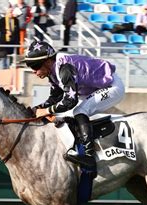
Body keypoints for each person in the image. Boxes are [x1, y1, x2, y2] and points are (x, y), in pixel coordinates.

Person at [25, 41, 125, 170]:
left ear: (48, 61)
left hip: (112, 85)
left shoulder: (64, 68)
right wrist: (37, 108)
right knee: (66, 114)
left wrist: (46, 111)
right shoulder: (53, 71)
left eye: (36, 66)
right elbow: (56, 97)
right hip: (93, 88)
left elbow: (70, 100)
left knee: (80, 111)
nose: (34, 72)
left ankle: (89, 156)